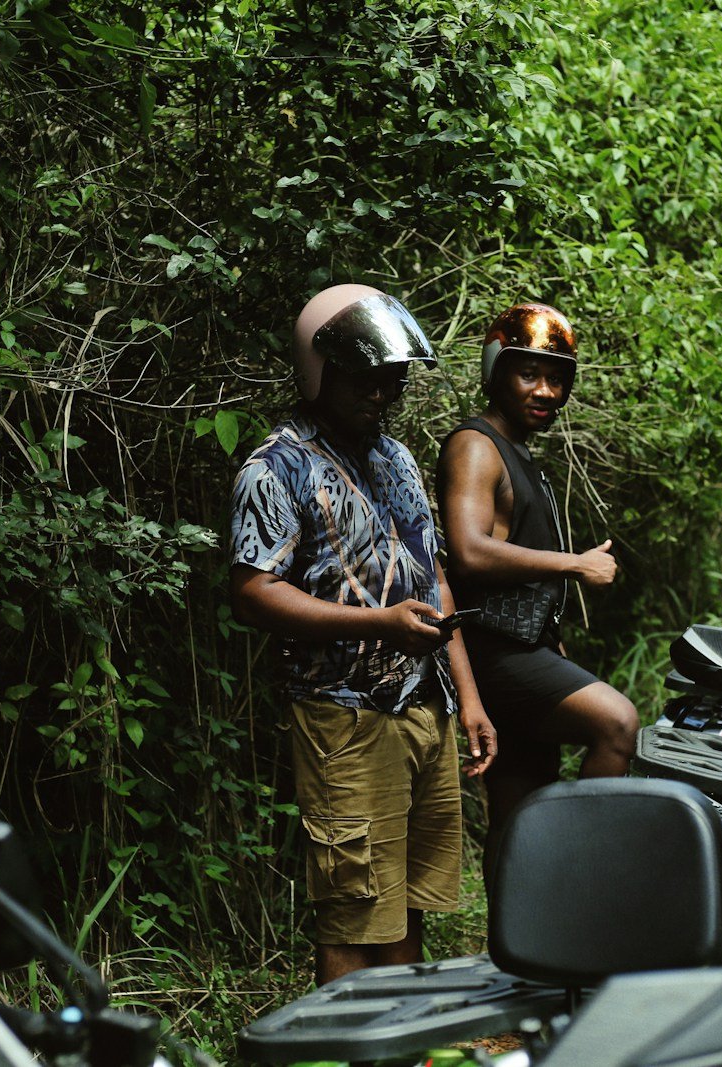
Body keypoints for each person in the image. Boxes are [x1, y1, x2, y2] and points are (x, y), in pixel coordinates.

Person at [229, 284, 498, 985]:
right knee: (354, 909)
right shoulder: (275, 467)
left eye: (393, 379)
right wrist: (376, 622)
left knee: (409, 902)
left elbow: (434, 578)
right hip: (344, 715)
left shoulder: (398, 458)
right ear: (320, 372)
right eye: (366, 378)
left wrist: (467, 696)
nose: (382, 393)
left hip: (424, 706)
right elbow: (254, 592)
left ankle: (399, 1043)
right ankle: (342, 1045)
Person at [435, 303, 638, 881]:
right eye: (529, 374)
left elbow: (518, 571)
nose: (545, 390)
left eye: (557, 378)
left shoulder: (521, 456)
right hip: (494, 655)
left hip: (524, 648)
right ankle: (579, 878)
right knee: (617, 723)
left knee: (518, 811)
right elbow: (469, 550)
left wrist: (553, 644)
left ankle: (515, 946)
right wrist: (575, 565)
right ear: (496, 371)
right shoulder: (476, 446)